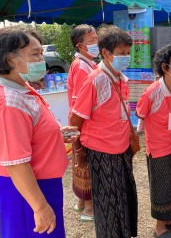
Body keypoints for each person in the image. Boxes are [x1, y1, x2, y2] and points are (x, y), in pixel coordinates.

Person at [0, 27, 77, 237]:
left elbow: (28, 132)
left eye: (41, 53)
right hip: (25, 188)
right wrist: (39, 207)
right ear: (11, 59)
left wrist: (57, 135)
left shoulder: (21, 87)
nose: (42, 59)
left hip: (38, 182)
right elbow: (16, 161)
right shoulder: (8, 102)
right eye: (35, 54)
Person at [69, 25, 137, 238]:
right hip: (101, 151)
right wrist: (78, 149)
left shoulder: (118, 77)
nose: (126, 57)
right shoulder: (96, 79)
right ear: (106, 53)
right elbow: (75, 119)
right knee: (108, 204)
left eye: (128, 53)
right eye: (121, 54)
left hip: (121, 147)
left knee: (124, 198)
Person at [136, 44, 171, 238]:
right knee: (163, 186)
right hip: (159, 149)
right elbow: (140, 114)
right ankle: (160, 227)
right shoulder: (152, 93)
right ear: (165, 68)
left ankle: (170, 219)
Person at [67, 24, 98, 221]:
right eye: (91, 41)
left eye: (96, 39)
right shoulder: (81, 66)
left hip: (81, 122)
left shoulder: (87, 63)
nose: (96, 43)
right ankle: (89, 209)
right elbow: (80, 102)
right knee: (85, 162)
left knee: (80, 163)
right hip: (83, 123)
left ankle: (81, 203)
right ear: (80, 46)